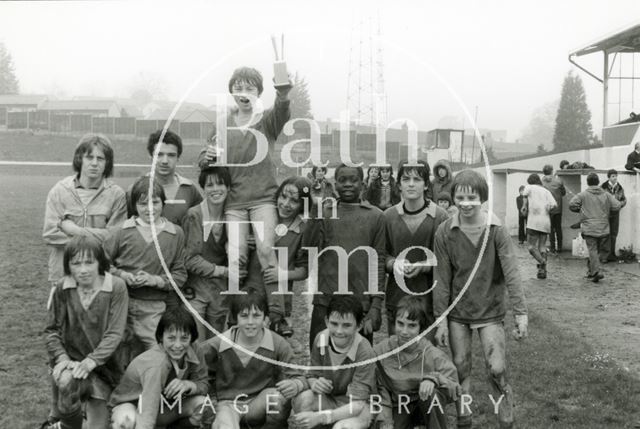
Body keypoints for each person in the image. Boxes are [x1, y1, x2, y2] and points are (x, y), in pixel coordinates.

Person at [433, 170, 528, 429]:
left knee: (497, 369)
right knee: (460, 368)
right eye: (460, 197)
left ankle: (505, 420)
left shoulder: (496, 230)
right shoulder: (444, 231)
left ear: (482, 198)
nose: (465, 203)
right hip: (458, 313)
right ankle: (465, 421)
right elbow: (441, 278)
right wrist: (440, 319)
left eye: (471, 197)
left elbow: (511, 271)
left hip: (490, 310)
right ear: (453, 198)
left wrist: (521, 313)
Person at [199, 66, 293, 297]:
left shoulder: (268, 120)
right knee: (236, 253)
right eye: (238, 87)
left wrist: (282, 94)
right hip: (234, 202)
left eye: (250, 88)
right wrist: (206, 158)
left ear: (259, 92)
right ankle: (236, 308)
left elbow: (282, 110)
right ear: (231, 91)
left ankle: (277, 312)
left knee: (265, 249)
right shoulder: (222, 123)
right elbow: (205, 156)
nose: (244, 92)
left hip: (264, 199)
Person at [43, 236, 128, 429]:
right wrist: (63, 359)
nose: (83, 270)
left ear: (100, 262)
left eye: (89, 262)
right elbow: (51, 331)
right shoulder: (62, 288)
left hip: (106, 368)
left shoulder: (116, 287)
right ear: (68, 265)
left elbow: (115, 333)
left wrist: (92, 361)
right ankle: (65, 422)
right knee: (65, 381)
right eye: (76, 263)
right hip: (73, 364)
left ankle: (66, 422)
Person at [103, 177, 187, 357]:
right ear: (134, 205)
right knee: (119, 353)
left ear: (163, 203)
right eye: (143, 203)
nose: (149, 208)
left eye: (155, 202)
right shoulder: (120, 231)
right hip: (121, 304)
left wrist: (154, 280)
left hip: (154, 307)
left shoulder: (175, 233)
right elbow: (102, 265)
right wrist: (122, 275)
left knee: (156, 354)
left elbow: (180, 275)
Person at [199, 291, 307, 429]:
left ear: (265, 318)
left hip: (258, 403)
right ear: (235, 318)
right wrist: (212, 399)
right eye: (244, 316)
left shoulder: (278, 343)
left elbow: (300, 377)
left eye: (256, 316)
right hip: (228, 403)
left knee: (278, 399)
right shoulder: (217, 344)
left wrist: (296, 384)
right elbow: (198, 371)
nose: (250, 322)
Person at [305, 163, 385, 348]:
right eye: (342, 180)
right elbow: (308, 248)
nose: (348, 184)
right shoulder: (325, 213)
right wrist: (314, 211)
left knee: (358, 363)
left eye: (353, 180)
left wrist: (375, 305)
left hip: (360, 303)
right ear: (335, 185)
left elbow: (379, 262)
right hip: (326, 301)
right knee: (321, 359)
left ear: (363, 185)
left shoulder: (376, 217)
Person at [43, 133, 127, 289]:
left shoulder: (116, 195)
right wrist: (94, 237)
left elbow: (114, 239)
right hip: (63, 275)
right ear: (79, 159)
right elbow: (50, 234)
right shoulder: (59, 191)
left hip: (100, 277)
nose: (94, 163)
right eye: (89, 157)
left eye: (100, 159)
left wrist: (73, 229)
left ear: (107, 163)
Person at [109, 308, 208, 429]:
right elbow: (148, 409)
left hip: (165, 408)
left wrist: (189, 385)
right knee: (125, 420)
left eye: (184, 338)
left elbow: (203, 383)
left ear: (192, 338)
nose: (178, 345)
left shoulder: (195, 349)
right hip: (136, 407)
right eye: (171, 338)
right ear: (161, 337)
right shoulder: (157, 364)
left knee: (204, 405)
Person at [373, 296, 460, 429]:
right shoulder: (382, 350)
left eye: (412, 326)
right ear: (394, 322)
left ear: (421, 327)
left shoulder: (432, 353)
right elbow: (375, 384)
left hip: (425, 406)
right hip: (398, 407)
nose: (404, 331)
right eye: (400, 323)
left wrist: (433, 379)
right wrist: (386, 419)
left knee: (431, 396)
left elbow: (455, 387)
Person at [383, 160, 448, 337]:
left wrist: (424, 265)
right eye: (406, 179)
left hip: (428, 301)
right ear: (398, 184)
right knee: (396, 358)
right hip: (397, 299)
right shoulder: (388, 217)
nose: (411, 184)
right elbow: (380, 255)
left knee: (425, 359)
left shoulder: (440, 216)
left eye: (417, 179)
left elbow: (448, 260)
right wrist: (393, 263)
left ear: (426, 184)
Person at [292, 295, 376, 429]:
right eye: (334, 324)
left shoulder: (365, 351)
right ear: (326, 321)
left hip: (358, 408)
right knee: (303, 400)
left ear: (359, 326)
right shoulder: (321, 339)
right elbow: (312, 375)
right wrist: (315, 384)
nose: (339, 331)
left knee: (342, 427)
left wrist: (322, 417)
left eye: (347, 325)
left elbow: (358, 404)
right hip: (331, 400)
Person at [243, 176, 313, 337]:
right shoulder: (261, 217)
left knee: (274, 348)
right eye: (283, 196)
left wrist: (281, 274)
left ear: (303, 204)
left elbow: (304, 271)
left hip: (279, 298)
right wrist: (246, 242)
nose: (286, 204)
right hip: (250, 293)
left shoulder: (302, 230)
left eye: (294, 201)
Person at [182, 166, 236, 340]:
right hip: (196, 287)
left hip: (220, 289)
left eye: (220, 184)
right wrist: (223, 271)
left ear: (228, 187)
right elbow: (189, 259)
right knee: (196, 339)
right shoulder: (194, 215)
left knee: (216, 341)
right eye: (209, 185)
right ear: (203, 189)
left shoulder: (234, 216)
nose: (215, 189)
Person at [128, 129, 202, 226]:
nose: (165, 161)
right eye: (159, 154)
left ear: (178, 158)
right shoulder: (134, 189)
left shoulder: (190, 189)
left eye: (171, 155)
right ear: (151, 157)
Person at [569, 173, 621, 282]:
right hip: (603, 227)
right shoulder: (606, 194)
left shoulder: (582, 195)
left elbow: (572, 204)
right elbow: (617, 205)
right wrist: (608, 211)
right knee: (597, 251)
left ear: (588, 182)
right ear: (598, 182)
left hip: (589, 227)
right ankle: (591, 271)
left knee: (592, 250)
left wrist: (580, 209)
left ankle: (596, 271)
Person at [522, 173, 557, 279]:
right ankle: (542, 271)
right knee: (542, 246)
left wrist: (524, 206)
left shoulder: (529, 187)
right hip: (545, 221)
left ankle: (542, 263)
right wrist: (547, 210)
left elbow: (524, 194)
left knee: (531, 247)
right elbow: (554, 205)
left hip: (533, 221)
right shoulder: (546, 191)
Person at [601, 169, 627, 262]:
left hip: (615, 213)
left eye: (616, 176)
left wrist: (620, 205)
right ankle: (604, 256)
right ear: (609, 177)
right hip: (606, 213)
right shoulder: (603, 187)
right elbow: (600, 200)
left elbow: (624, 199)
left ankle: (612, 254)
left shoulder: (619, 187)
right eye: (613, 176)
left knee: (614, 234)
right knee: (605, 234)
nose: (615, 178)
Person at [541, 164, 566, 254]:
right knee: (558, 228)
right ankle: (559, 247)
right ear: (552, 171)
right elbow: (563, 193)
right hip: (558, 208)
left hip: (547, 209)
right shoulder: (558, 181)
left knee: (550, 229)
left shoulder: (541, 182)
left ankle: (552, 247)